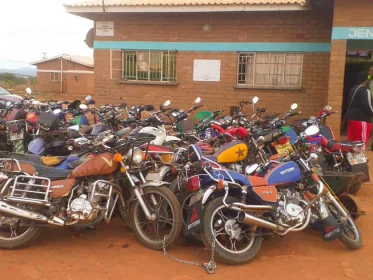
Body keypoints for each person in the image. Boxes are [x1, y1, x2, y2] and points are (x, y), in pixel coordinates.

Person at [345, 70, 373, 148]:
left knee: (352, 143)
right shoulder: (365, 90)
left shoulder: (353, 89)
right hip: (361, 120)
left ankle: (351, 159)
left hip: (351, 119)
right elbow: (367, 105)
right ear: (366, 79)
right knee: (361, 144)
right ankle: (360, 159)